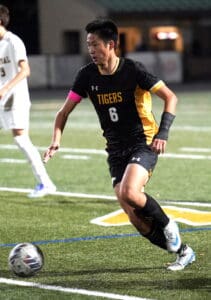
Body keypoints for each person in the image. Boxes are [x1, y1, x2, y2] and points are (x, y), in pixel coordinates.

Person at [44, 19, 195, 270]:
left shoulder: (133, 70)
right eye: (88, 45)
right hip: (115, 151)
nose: (90, 49)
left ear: (111, 45)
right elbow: (63, 112)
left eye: (95, 44)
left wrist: (163, 133)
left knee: (129, 192)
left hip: (142, 142)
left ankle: (169, 225)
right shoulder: (86, 76)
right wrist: (55, 141)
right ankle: (183, 251)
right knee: (135, 218)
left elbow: (170, 97)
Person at [0, 5, 56, 198]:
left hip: (15, 98)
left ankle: (45, 183)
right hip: (2, 99)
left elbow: (25, 70)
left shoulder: (13, 41)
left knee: (21, 139)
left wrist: (6, 88)